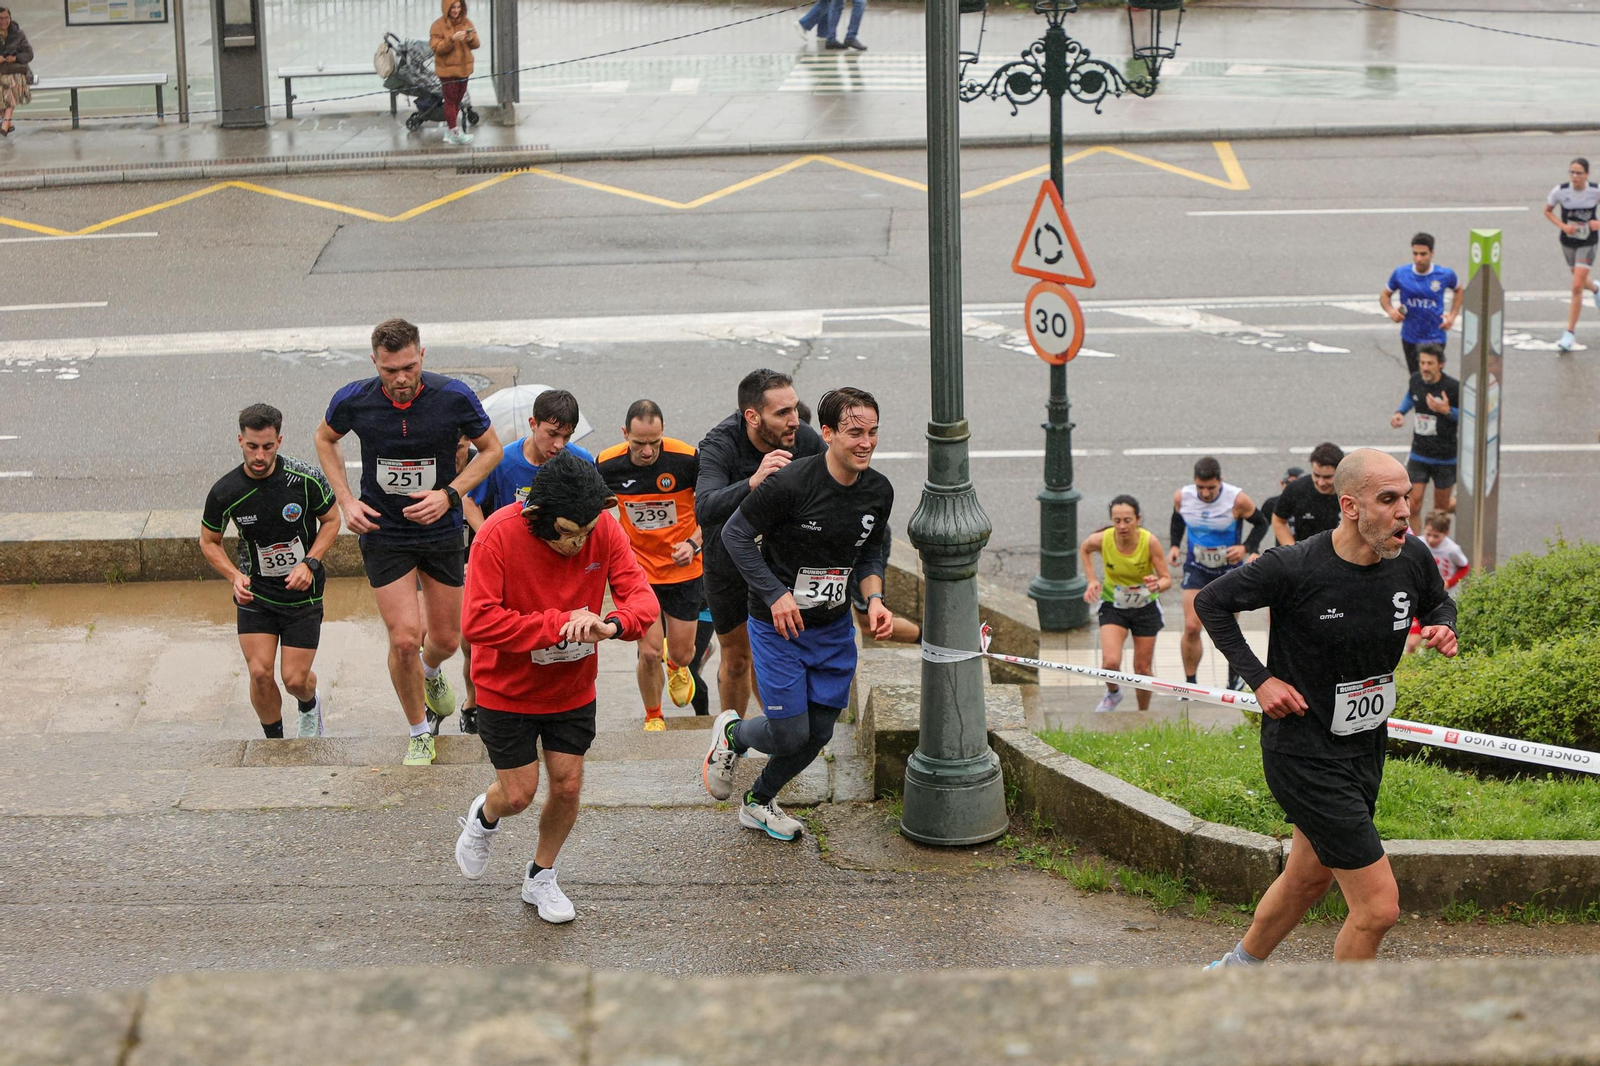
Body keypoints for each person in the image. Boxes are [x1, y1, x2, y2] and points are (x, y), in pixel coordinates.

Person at [1196, 449, 1457, 966]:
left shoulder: (1411, 556)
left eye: (1406, 496)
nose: (1406, 510)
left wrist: (1444, 624)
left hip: (1365, 743)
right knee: (1378, 908)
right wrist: (1261, 680)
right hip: (1304, 750)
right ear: (1351, 506)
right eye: (1389, 499)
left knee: (1307, 875)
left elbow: (1438, 601)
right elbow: (1212, 602)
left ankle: (1234, 971)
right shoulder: (1294, 566)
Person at [452, 452, 659, 922]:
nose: (578, 544)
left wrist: (613, 622)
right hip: (507, 689)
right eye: (567, 533)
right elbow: (477, 621)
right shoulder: (496, 536)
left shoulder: (602, 530)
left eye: (585, 531)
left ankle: (540, 876)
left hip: (572, 686)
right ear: (535, 516)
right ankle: (485, 815)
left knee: (567, 785)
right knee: (519, 794)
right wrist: (559, 623)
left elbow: (641, 597)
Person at [701, 387, 894, 840]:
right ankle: (733, 736)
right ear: (826, 433)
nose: (865, 442)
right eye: (853, 433)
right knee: (788, 732)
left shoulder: (878, 490)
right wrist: (774, 594)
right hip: (779, 625)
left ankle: (759, 801)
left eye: (872, 432)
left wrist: (876, 599)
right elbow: (734, 534)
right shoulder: (790, 484)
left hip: (832, 627)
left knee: (820, 732)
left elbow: (869, 553)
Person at [314, 318, 503, 766]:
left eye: (408, 367)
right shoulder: (353, 399)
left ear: (422, 357)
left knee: (446, 639)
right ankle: (419, 731)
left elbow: (492, 449)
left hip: (439, 527)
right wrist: (346, 501)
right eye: (389, 370)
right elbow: (325, 439)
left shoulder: (453, 395)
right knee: (403, 640)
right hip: (384, 529)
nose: (400, 379)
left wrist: (449, 494)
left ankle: (432, 671)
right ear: (374, 363)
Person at [201, 404, 341, 739]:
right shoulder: (226, 491)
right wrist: (235, 575)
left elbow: (333, 520)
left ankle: (309, 704)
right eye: (252, 447)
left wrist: (311, 562)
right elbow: (209, 541)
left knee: (295, 680)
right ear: (240, 441)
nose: (260, 455)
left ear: (279, 440)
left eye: (267, 446)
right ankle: (274, 743)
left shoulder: (305, 479)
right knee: (260, 673)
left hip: (301, 595)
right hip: (256, 595)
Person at [695, 369, 824, 718]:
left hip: (780, 564)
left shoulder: (806, 440)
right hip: (729, 565)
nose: (794, 420)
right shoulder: (720, 444)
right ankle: (729, 740)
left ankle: (779, 735)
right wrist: (753, 481)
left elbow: (836, 485)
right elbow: (704, 508)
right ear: (752, 416)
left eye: (795, 408)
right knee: (737, 659)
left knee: (773, 655)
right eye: (782, 413)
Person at [596, 399, 705, 731]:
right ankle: (654, 715)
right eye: (639, 443)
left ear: (663, 433)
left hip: (684, 568)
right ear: (625, 433)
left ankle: (676, 664)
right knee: (648, 651)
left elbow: (714, 509)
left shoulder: (686, 459)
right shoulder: (607, 464)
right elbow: (593, 510)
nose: (647, 452)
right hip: (638, 572)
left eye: (654, 443)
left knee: (685, 655)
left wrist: (693, 543)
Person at [1168, 457, 1268, 690]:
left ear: (1220, 481)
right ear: (1194, 482)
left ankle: (1233, 680)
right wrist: (1174, 545)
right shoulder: (1183, 497)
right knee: (1192, 626)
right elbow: (1177, 518)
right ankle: (1190, 683)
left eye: (1211, 488)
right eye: (1200, 487)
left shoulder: (1237, 499)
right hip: (1197, 567)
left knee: (1227, 629)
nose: (1205, 493)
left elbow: (1261, 523)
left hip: (1228, 571)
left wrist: (1246, 547)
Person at [1080, 495, 1172, 712]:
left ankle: (1143, 712)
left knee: (1142, 669)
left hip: (1145, 609)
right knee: (1110, 663)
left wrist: (1156, 585)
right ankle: (1114, 693)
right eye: (1117, 520)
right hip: (1114, 606)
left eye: (1127, 520)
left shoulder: (1150, 542)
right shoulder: (1103, 539)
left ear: (1138, 519)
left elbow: (1167, 578)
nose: (1122, 526)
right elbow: (1084, 549)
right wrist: (1092, 579)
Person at [471, 388, 595, 515]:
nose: (559, 445)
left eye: (566, 436)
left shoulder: (581, 461)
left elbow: (597, 506)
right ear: (533, 424)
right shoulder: (502, 460)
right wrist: (490, 534)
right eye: (552, 434)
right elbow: (469, 501)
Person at [1388, 342, 1459, 532]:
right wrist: (1400, 412)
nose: (1425, 368)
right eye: (1422, 363)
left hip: (1446, 457)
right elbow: (1411, 396)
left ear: (1440, 364)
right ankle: (1418, 546)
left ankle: (1455, 508)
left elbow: (1470, 418)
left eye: (1430, 363)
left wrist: (1447, 410)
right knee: (1413, 505)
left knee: (1440, 510)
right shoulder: (1416, 380)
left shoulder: (1453, 387)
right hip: (1419, 454)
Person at [1379, 232, 1460, 376]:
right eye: (1415, 254)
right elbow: (1385, 295)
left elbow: (1458, 289)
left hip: (1435, 337)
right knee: (1416, 378)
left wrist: (1452, 316)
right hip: (1410, 336)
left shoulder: (1444, 275)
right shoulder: (1401, 273)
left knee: (1433, 378)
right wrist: (1391, 311)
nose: (1418, 259)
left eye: (1423, 254)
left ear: (1432, 253)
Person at [1544, 158, 1600, 353]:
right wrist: (1563, 226)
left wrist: (1598, 223)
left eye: (1579, 173)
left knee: (1576, 285)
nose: (1575, 177)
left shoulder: (1595, 190)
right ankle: (1595, 289)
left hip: (1588, 242)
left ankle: (1569, 333)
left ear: (1587, 175)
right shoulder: (1560, 191)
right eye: (1572, 173)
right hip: (1568, 241)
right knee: (1579, 278)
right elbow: (1548, 211)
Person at [454, 433, 488, 733]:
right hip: (437, 559)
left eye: (460, 447)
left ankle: (474, 704)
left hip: (478, 561)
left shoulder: (486, 465)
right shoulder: (429, 463)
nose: (455, 454)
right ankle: (432, 678)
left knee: (473, 640)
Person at [1408, 511, 1469, 653]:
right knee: (1412, 642)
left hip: (1445, 597)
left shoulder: (1452, 549)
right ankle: (1412, 660)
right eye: (1428, 534)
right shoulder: (1419, 544)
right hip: (1423, 597)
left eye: (1436, 536)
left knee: (1440, 636)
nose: (1431, 539)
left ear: (1446, 533)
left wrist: (1449, 582)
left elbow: (1464, 567)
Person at [1272, 443, 1345, 547]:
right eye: (1316, 475)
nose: (1321, 483)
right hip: (1304, 555)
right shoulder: (1295, 489)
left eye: (1327, 477)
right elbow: (1278, 521)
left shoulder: (1351, 491)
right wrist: (1294, 552)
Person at [430, 0, 479, 147]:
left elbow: (476, 44)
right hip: (448, 71)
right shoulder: (438, 25)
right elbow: (437, 48)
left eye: (458, 7)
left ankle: (451, 130)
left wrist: (471, 39)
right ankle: (453, 131)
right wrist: (451, 40)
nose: (456, 10)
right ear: (447, 9)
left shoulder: (466, 22)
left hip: (464, 70)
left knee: (457, 100)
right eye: (453, 8)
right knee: (450, 101)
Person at [0, 7, 31, 138]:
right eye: (0, 19)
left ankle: (5, 123)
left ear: (10, 18)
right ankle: (8, 122)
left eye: (6, 18)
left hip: (16, 71)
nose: (3, 21)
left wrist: (15, 58)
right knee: (4, 85)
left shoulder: (18, 34)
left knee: (11, 83)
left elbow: (29, 53)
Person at [1257, 467, 1304, 550]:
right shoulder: (1272, 503)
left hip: (1310, 553)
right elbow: (1260, 526)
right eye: (1289, 485)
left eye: (1296, 486)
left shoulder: (1314, 503)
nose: (1292, 490)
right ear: (1282, 484)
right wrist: (1254, 550)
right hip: (1284, 554)